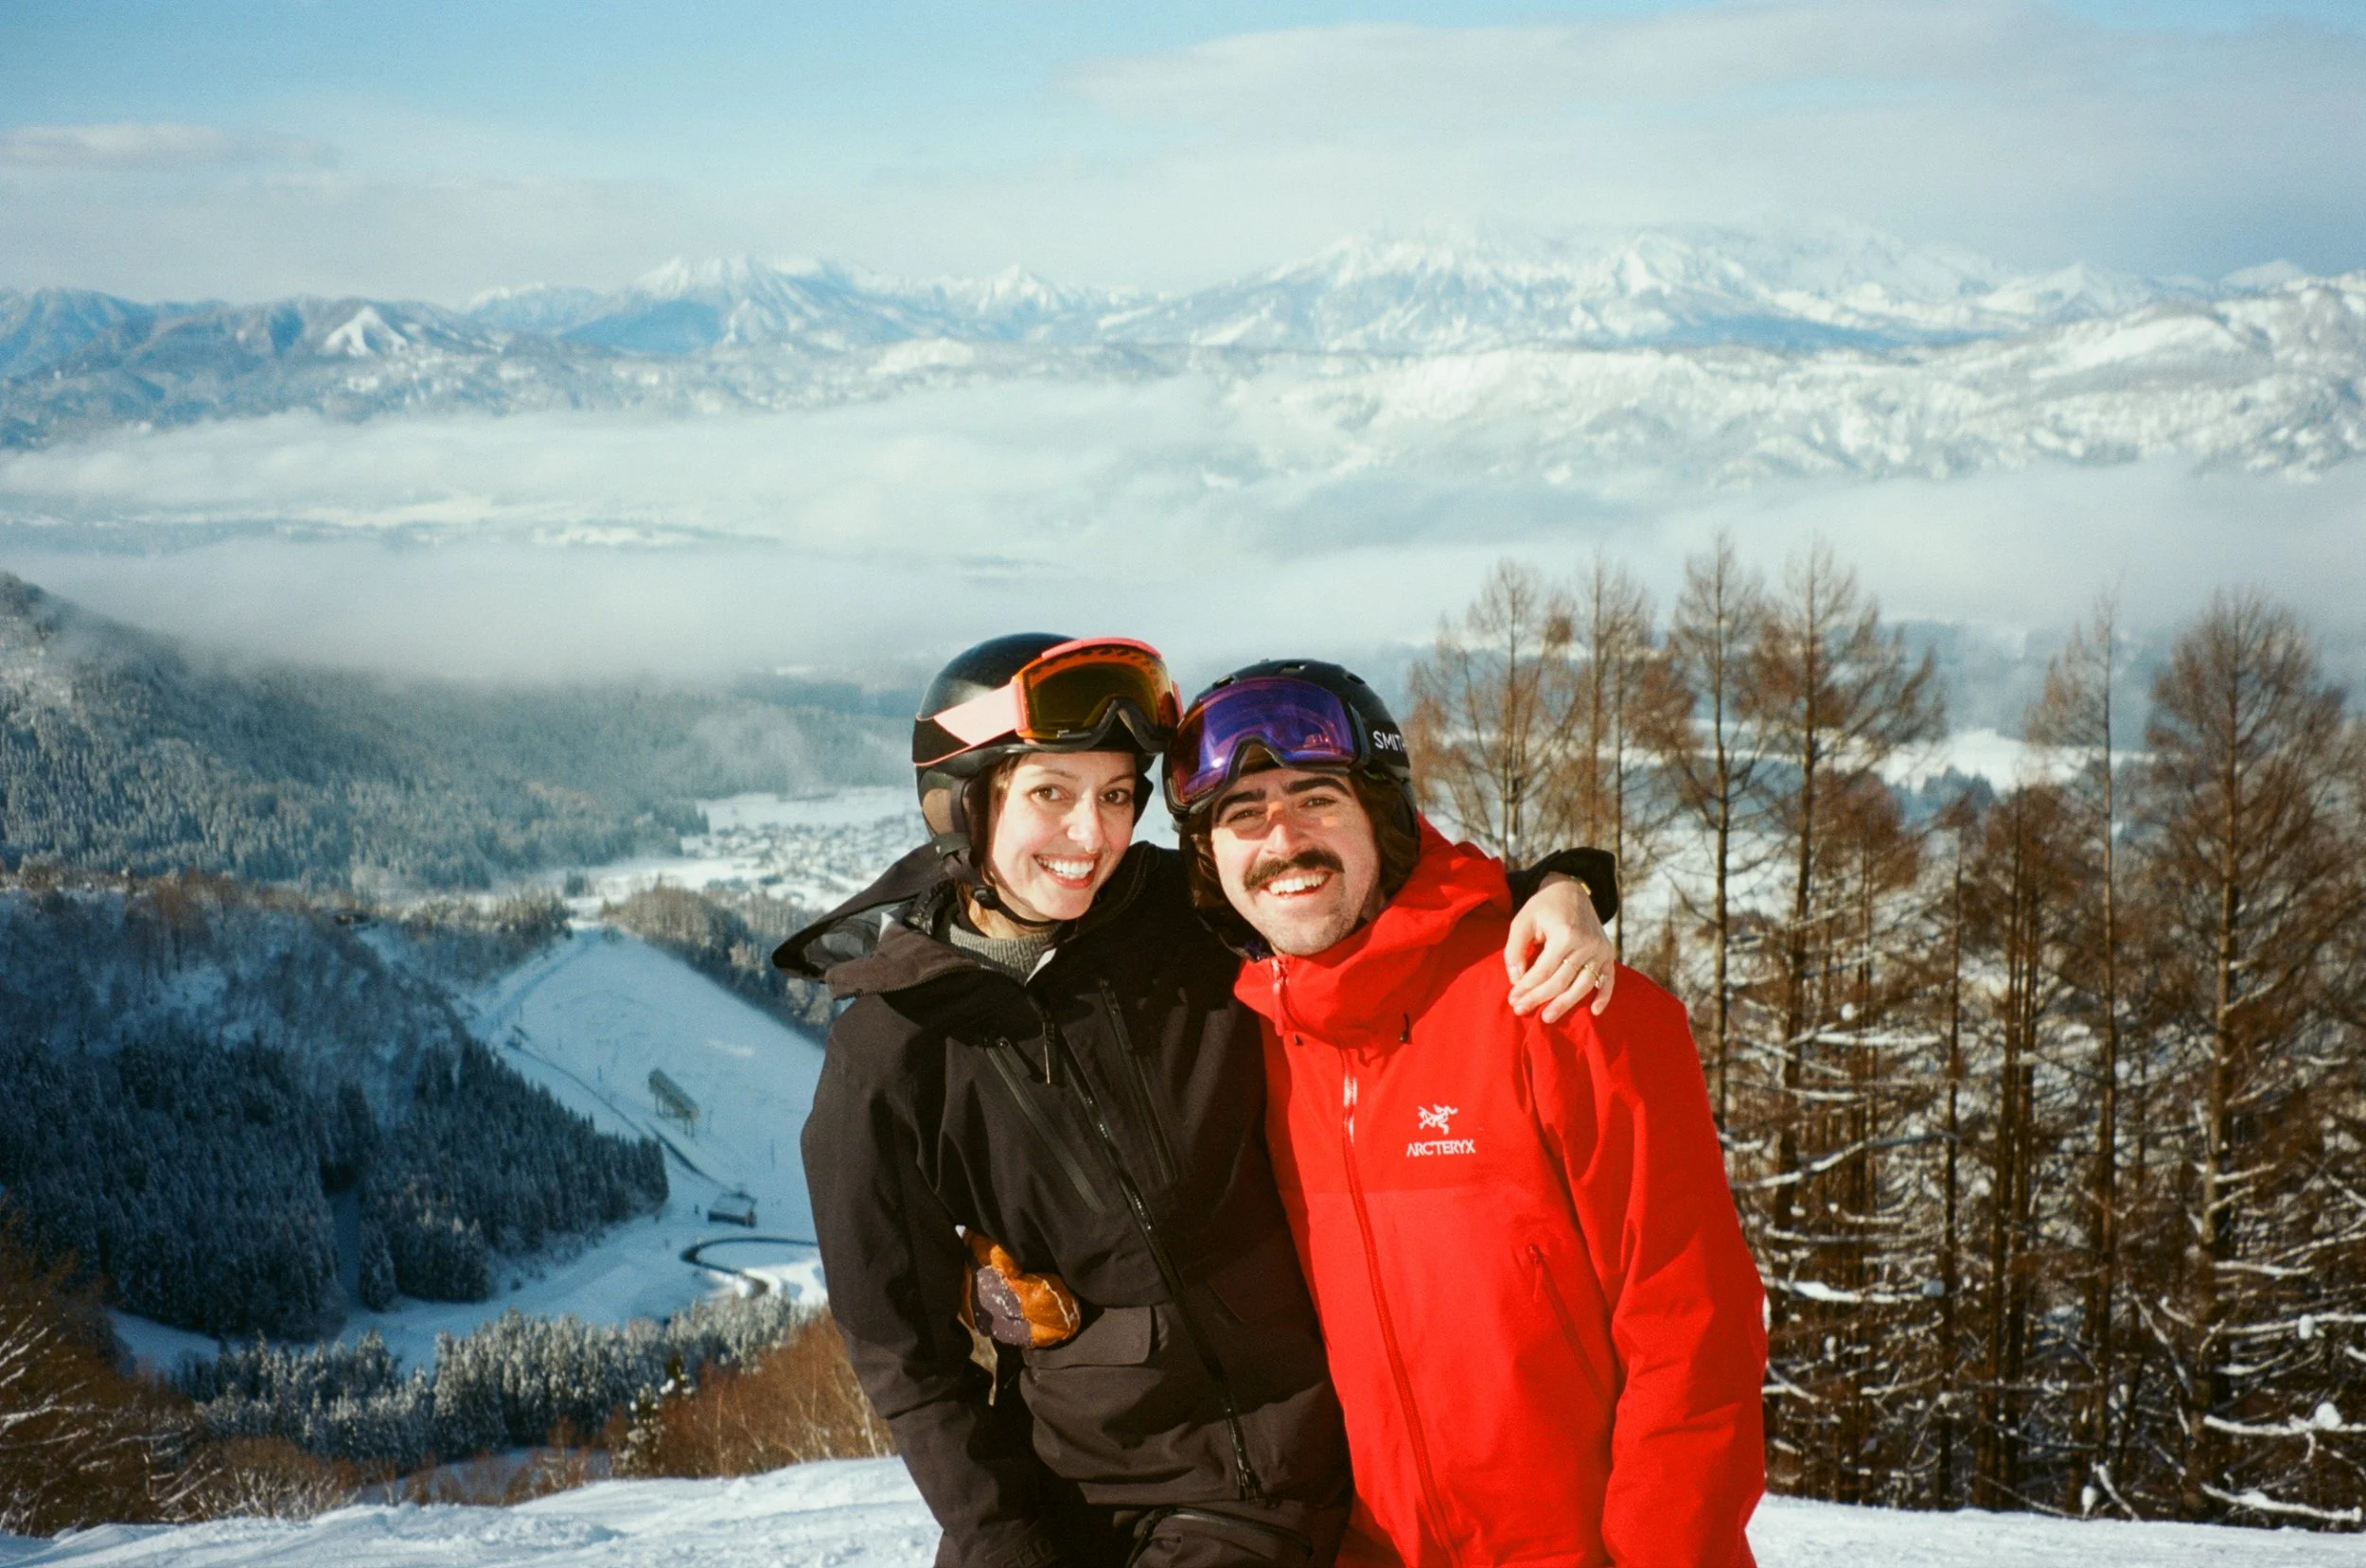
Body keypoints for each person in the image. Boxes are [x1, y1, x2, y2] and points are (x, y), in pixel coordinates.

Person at [776, 635, 1619, 1568]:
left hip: (1264, 1480)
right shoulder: (892, 1052)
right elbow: (905, 1357)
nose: (1091, 835)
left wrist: (1552, 888)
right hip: (1066, 1487)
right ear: (962, 804)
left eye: (1115, 796)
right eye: (1051, 793)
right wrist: (1003, 1539)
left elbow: (1354, 894)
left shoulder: (1185, 924)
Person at [1167, 659, 1767, 1568]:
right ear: (1211, 858)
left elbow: (1692, 1330)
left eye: (1317, 798)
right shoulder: (1246, 1048)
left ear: (1385, 816)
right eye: (1243, 813)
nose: (1282, 839)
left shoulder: (1558, 1003)